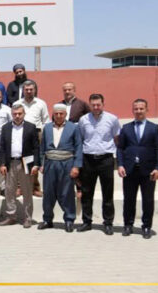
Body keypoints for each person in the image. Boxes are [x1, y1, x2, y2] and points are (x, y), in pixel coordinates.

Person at [117, 99, 158, 239]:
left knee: (148, 200)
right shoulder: (126, 128)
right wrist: (120, 165)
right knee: (129, 199)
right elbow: (120, 148)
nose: (138, 111)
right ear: (133, 110)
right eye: (136, 109)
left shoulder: (154, 128)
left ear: (146, 110)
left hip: (148, 170)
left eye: (141, 108)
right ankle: (128, 225)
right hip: (129, 169)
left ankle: (147, 226)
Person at [77, 93, 121, 235]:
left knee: (107, 193)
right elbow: (81, 139)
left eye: (98, 105)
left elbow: (117, 139)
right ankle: (87, 221)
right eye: (93, 105)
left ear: (103, 104)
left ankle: (108, 222)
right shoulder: (83, 120)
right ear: (90, 105)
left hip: (106, 159)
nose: (96, 107)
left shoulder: (112, 119)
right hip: (88, 159)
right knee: (86, 193)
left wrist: (118, 160)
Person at [38, 104, 83, 232]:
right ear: (53, 114)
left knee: (67, 192)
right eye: (56, 113)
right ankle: (47, 219)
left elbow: (79, 147)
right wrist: (41, 164)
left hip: (67, 163)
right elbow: (42, 148)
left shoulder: (74, 128)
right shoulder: (47, 128)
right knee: (48, 193)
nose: (58, 116)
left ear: (65, 114)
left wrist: (76, 166)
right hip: (50, 163)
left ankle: (69, 220)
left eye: (61, 113)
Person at [0, 104, 40, 228]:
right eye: (15, 114)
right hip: (10, 162)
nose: (17, 116)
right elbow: (2, 148)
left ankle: (27, 218)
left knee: (27, 191)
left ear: (24, 114)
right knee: (9, 191)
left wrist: (36, 164)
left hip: (26, 162)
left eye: (19, 114)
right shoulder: (5, 128)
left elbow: (36, 148)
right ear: (12, 114)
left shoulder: (31, 127)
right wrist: (2, 164)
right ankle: (11, 216)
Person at [16, 80, 49, 197]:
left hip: (36, 133)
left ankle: (34, 187)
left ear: (35, 90)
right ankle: (19, 187)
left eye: (31, 89)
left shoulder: (41, 103)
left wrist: (43, 135)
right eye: (26, 89)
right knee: (20, 160)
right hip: (20, 133)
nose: (29, 91)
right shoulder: (17, 103)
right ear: (23, 90)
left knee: (35, 160)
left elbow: (46, 120)